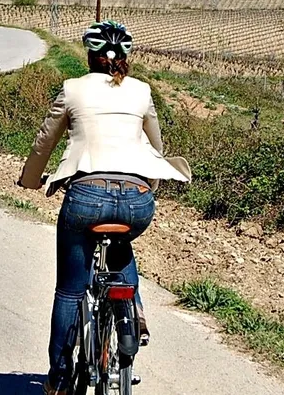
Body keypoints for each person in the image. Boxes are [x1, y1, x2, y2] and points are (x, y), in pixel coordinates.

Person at [18, 20, 191, 395]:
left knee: (70, 290)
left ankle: (60, 380)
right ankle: (134, 310)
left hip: (86, 195)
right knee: (122, 241)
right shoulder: (142, 91)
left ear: (90, 56)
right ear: (125, 57)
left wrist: (31, 179)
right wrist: (150, 186)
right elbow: (154, 146)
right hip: (137, 199)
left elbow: (45, 140)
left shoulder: (73, 89)